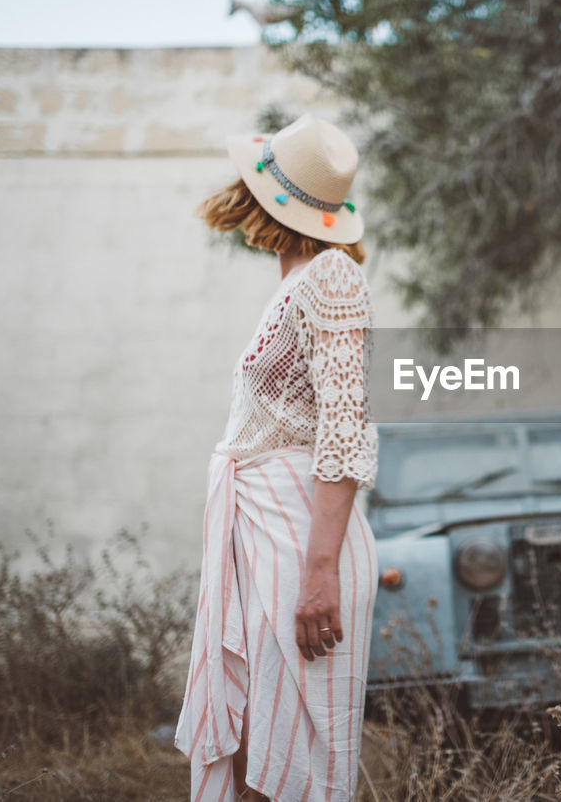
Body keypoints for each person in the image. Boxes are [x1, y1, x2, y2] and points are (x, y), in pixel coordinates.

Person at [174, 112, 380, 802]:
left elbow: (345, 433)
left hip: (302, 542)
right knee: (250, 752)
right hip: (263, 532)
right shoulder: (295, 283)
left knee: (287, 764)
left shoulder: (331, 279)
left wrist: (318, 573)